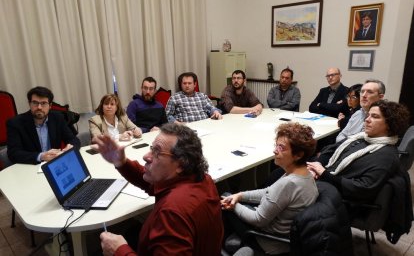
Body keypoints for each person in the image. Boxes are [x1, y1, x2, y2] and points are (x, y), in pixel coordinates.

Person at [95, 123, 223, 255]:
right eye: (151, 149)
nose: (146, 156)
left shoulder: (172, 212)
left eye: (157, 152)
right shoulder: (202, 179)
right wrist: (121, 162)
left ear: (181, 163)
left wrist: (119, 251)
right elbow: (156, 183)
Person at [221, 123, 318, 255]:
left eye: (281, 148)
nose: (275, 150)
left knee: (223, 199)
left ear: (298, 155)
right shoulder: (303, 173)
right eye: (276, 145)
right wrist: (240, 195)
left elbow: (258, 219)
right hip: (285, 234)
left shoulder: (289, 183)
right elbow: (269, 191)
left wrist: (234, 205)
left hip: (268, 241)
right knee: (231, 197)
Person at [307, 100, 410, 203]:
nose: (367, 120)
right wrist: (317, 165)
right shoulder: (362, 137)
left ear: (390, 124)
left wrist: (324, 174)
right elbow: (331, 149)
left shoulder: (387, 156)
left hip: (338, 199)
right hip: (325, 180)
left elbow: (361, 189)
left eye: (375, 116)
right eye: (368, 115)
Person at [6, 86, 80, 164]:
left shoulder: (57, 118)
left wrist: (71, 148)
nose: (39, 107)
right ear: (29, 104)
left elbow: (73, 139)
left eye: (44, 103)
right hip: (30, 166)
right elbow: (13, 153)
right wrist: (41, 156)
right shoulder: (15, 123)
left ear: (50, 105)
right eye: (35, 103)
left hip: (55, 165)